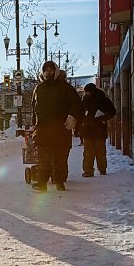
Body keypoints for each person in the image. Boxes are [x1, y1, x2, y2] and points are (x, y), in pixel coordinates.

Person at [31, 61, 84, 192]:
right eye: (46, 69)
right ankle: (42, 183)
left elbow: (77, 104)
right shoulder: (39, 88)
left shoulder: (65, 87)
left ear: (56, 71)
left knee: (60, 157)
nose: (48, 72)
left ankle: (59, 181)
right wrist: (34, 124)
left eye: (51, 69)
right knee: (44, 158)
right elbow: (34, 108)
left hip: (61, 129)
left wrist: (72, 117)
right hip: (43, 129)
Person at [79, 83, 116, 177]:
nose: (87, 94)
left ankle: (98, 169)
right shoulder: (85, 101)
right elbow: (80, 114)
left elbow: (112, 111)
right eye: (86, 92)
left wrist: (102, 118)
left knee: (97, 150)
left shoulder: (103, 100)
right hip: (89, 128)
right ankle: (91, 170)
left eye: (88, 92)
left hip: (97, 128)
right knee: (90, 151)